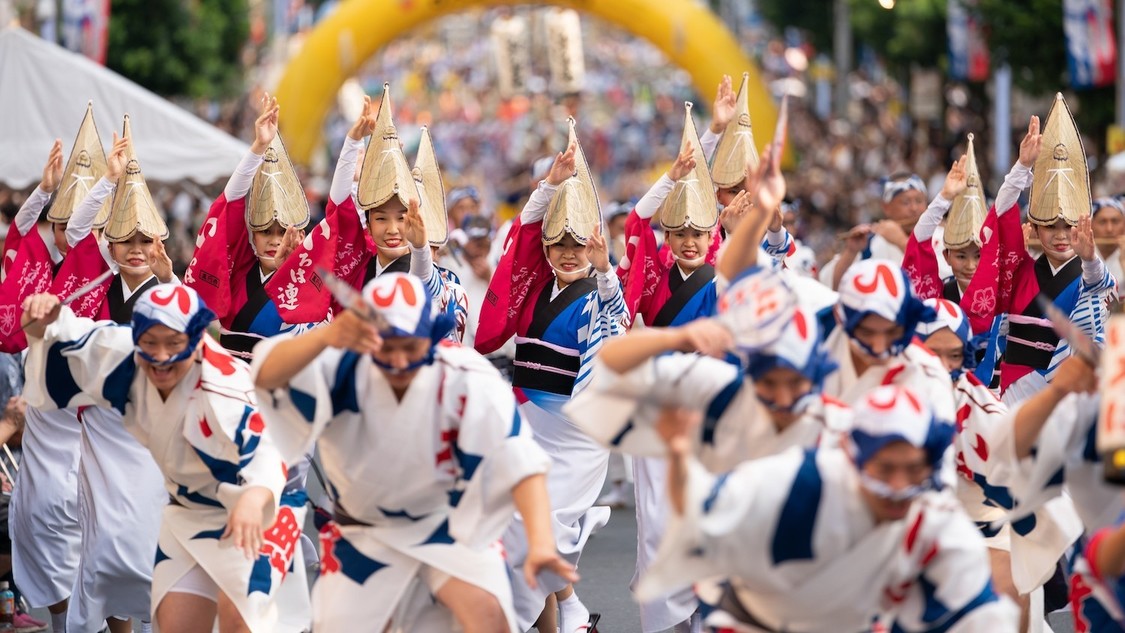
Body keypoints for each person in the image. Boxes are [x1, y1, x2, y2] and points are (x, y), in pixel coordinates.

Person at [252, 272, 574, 632]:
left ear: (431, 337)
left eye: (410, 346)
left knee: (488, 615)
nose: (400, 361)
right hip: (365, 533)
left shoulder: (466, 376)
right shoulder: (338, 366)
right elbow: (264, 374)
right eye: (387, 347)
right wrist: (328, 335)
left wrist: (541, 542)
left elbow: (521, 462)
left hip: (449, 524)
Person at [21, 284, 298, 632]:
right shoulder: (130, 354)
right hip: (186, 515)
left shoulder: (225, 386)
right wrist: (44, 319)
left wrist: (255, 498)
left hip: (253, 516)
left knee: (239, 620)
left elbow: (267, 447)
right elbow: (77, 335)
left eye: (174, 344)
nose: (161, 356)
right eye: (150, 343)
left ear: (197, 341)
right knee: (174, 620)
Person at [638, 384, 1017, 631]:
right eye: (885, 469)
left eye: (914, 469)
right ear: (853, 458)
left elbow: (986, 618)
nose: (899, 486)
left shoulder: (943, 530)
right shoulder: (797, 483)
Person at [476, 122, 627, 633]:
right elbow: (516, 246)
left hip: (577, 440)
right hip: (530, 428)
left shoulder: (598, 295)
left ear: (592, 247)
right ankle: (566, 621)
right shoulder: (535, 291)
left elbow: (619, 329)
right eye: (558, 243)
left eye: (578, 245)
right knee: (522, 540)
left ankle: (570, 615)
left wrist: (606, 272)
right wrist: (547, 187)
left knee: (543, 540)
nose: (568, 253)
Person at [914, 298, 1080, 633]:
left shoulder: (981, 413)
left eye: (954, 355)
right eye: (932, 354)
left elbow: (1025, 514)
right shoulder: (887, 392)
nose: (943, 367)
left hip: (985, 538)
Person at [961, 101, 1116, 404]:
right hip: (1014, 392)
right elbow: (1000, 215)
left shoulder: (1093, 275)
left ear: (1083, 225)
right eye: (1050, 226)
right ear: (1033, 227)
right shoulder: (1020, 269)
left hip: (1068, 396)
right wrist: (1021, 168)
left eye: (1068, 225)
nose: (1060, 236)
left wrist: (1089, 260)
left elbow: (1099, 293)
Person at [184, 94, 311, 360]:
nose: (274, 240)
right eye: (266, 231)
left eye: (281, 232)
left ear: (297, 234)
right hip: (230, 389)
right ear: (252, 234)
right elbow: (229, 204)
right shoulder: (239, 268)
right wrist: (257, 148)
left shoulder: (306, 281)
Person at [821, 171, 935, 291]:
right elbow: (831, 285)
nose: (914, 208)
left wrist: (901, 241)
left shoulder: (940, 237)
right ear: (886, 207)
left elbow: (937, 278)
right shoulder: (870, 243)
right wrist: (851, 251)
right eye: (905, 202)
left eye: (919, 201)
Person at [903, 140, 984, 303]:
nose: (970, 266)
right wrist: (944, 198)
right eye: (961, 257)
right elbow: (919, 241)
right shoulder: (940, 295)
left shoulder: (1004, 293)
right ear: (946, 256)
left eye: (979, 256)